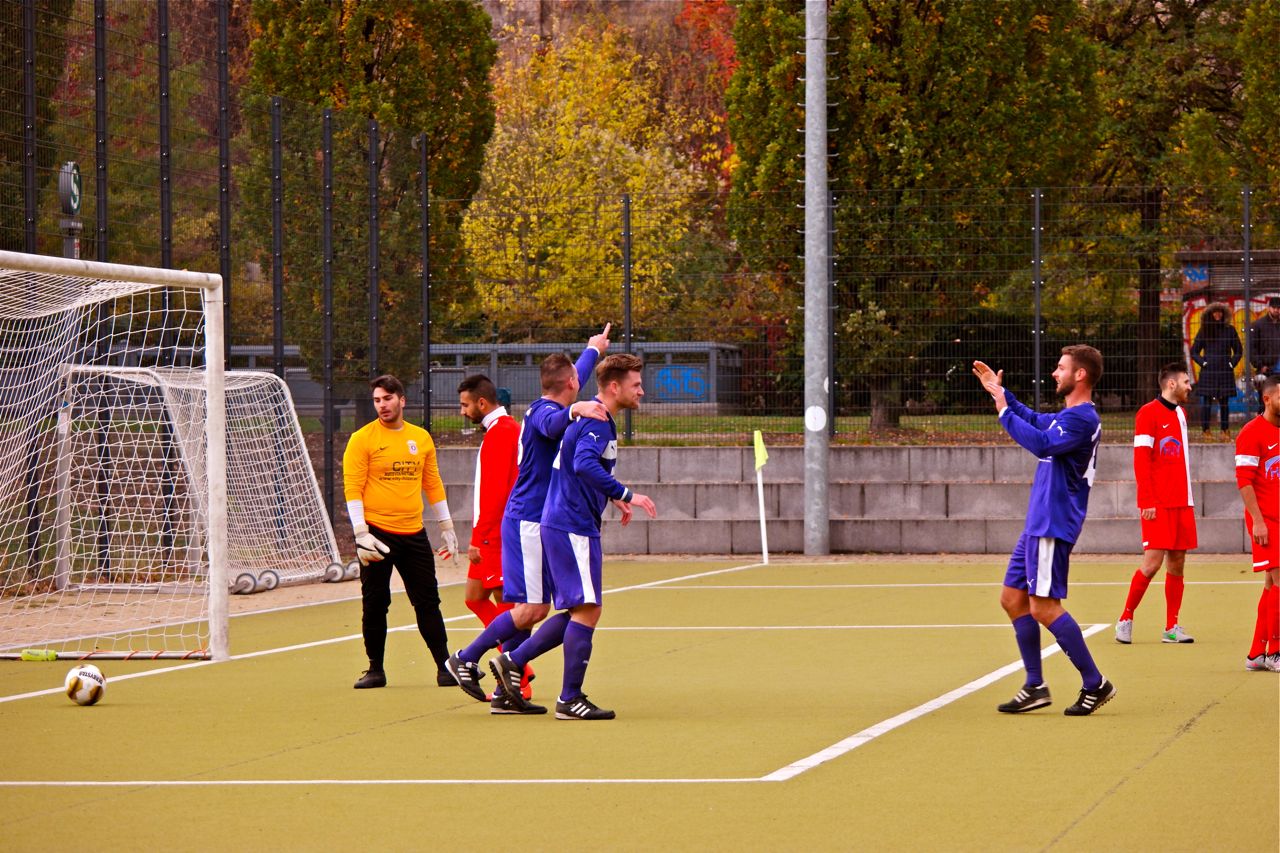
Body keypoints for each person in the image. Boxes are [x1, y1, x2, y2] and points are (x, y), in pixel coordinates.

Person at [445, 327, 612, 714]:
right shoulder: (541, 412)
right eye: (576, 383)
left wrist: (593, 349)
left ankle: (506, 692)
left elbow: (572, 379)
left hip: (541, 521)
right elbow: (554, 424)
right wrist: (576, 410)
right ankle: (465, 658)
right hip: (529, 521)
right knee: (532, 609)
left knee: (541, 608)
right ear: (571, 386)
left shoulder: (556, 396)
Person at [490, 353, 657, 720]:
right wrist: (626, 493)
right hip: (571, 525)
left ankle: (514, 660)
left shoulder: (591, 415)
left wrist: (610, 495)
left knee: (580, 609)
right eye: (636, 385)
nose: (641, 391)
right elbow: (583, 464)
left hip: (563, 522)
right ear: (614, 387)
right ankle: (568, 698)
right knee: (588, 609)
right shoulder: (597, 421)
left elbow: (574, 464)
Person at [973, 346, 1116, 716]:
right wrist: (1001, 394)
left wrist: (1003, 410)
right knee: (1012, 599)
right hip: (1039, 523)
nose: (1055, 372)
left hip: (1053, 522)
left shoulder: (1082, 419)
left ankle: (1095, 683)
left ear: (1080, 375)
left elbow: (1041, 441)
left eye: (1061, 367)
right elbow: (1037, 421)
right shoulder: (1068, 416)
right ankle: (1035, 685)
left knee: (1044, 606)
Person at [343, 374, 461, 690]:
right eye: (377, 400)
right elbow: (352, 487)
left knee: (427, 601)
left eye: (387, 398)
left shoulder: (420, 438)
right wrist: (360, 533)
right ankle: (375, 669)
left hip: (414, 533)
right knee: (375, 602)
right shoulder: (362, 439)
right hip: (376, 534)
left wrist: (447, 525)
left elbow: (432, 483)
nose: (382, 405)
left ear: (402, 400)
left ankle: (444, 668)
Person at [1116, 363, 1198, 644]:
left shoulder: (1181, 414)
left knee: (1177, 563)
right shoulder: (1147, 413)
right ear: (1171, 384)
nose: (1189, 387)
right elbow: (1141, 460)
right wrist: (1147, 499)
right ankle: (1125, 618)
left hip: (1182, 501)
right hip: (1158, 503)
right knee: (1152, 564)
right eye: (1186, 382)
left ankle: (1171, 627)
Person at [455, 374, 523, 690]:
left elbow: (494, 494)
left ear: (482, 403)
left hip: (497, 535)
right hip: (496, 530)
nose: (462, 411)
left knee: (508, 607)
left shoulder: (502, 433)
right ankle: (520, 670)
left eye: (465, 405)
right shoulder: (503, 429)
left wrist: (478, 538)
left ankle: (517, 680)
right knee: (474, 597)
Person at [1237, 373, 1280, 672]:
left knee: (1270, 585)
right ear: (1267, 399)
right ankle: (1276, 652)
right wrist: (1258, 521)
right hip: (1267, 520)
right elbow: (1244, 481)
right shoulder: (1251, 433)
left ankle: (1256, 654)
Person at [1189, 302, 1242, 437]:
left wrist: (1231, 364)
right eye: (1215, 312)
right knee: (1206, 402)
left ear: (1224, 314)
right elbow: (1194, 351)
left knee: (1224, 403)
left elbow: (1238, 351)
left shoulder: (1230, 330)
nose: (1217, 314)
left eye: (1220, 312)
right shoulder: (1204, 330)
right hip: (1208, 372)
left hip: (1225, 371)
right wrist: (1203, 363)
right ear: (1210, 314)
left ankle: (1225, 431)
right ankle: (1206, 431)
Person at [1248, 296, 1280, 412]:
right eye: (1274, 307)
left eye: (1278, 308)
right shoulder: (1258, 325)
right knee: (1265, 401)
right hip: (1266, 370)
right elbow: (1251, 348)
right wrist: (1260, 365)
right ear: (1268, 308)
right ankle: (1262, 422)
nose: (1276, 310)